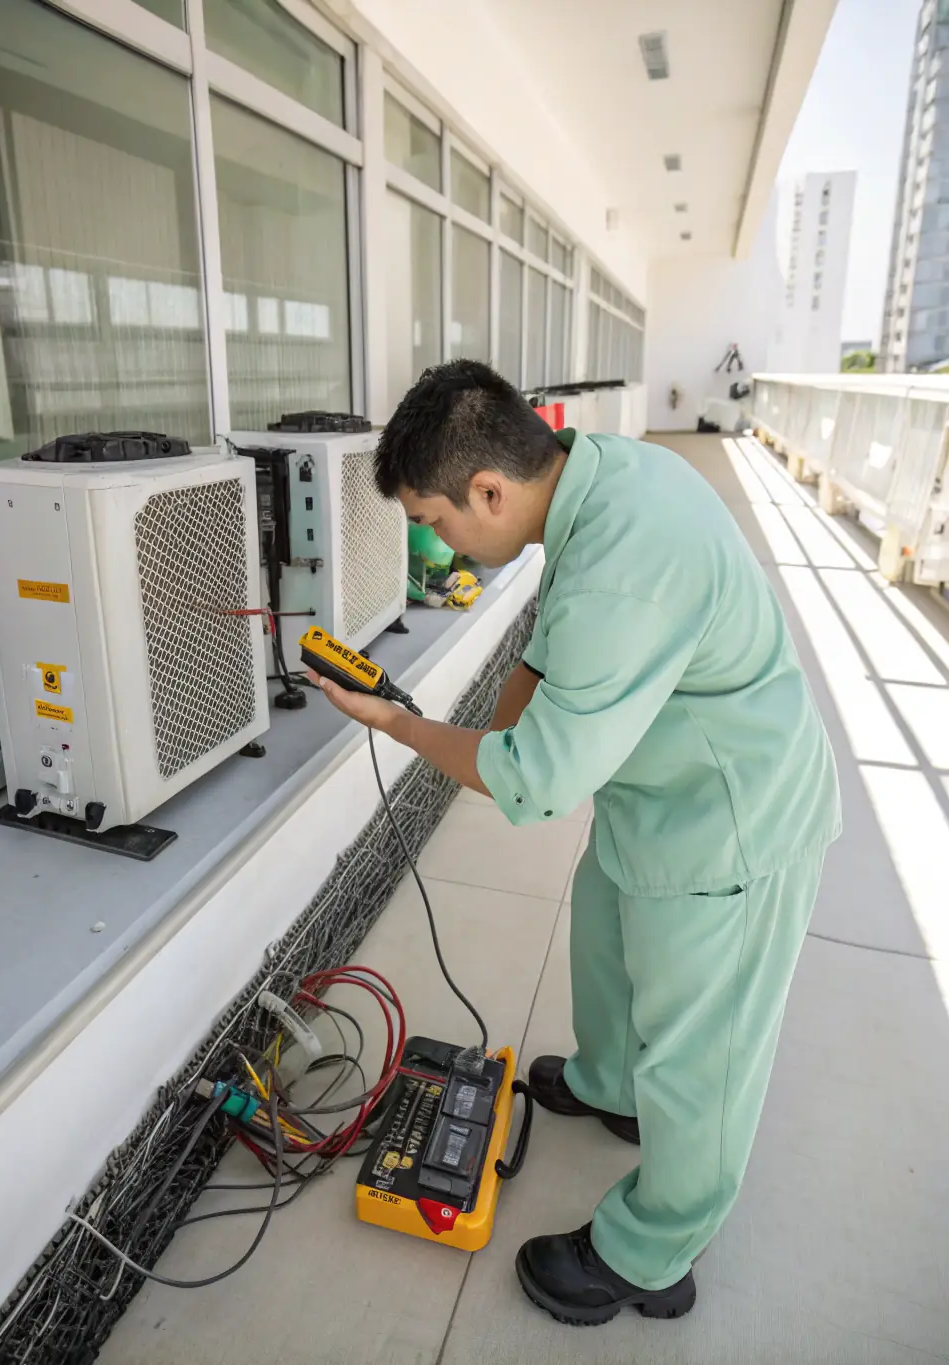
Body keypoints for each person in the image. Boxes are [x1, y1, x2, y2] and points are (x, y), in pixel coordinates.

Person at [310, 359, 841, 1328]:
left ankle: (652, 1249)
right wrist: (487, 723)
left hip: (730, 818)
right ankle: (611, 1085)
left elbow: (535, 781)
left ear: (489, 489)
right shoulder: (593, 476)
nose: (436, 541)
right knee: (605, 937)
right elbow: (547, 649)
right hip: (656, 790)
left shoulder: (622, 570)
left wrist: (396, 726)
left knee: (702, 1049)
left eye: (433, 519)